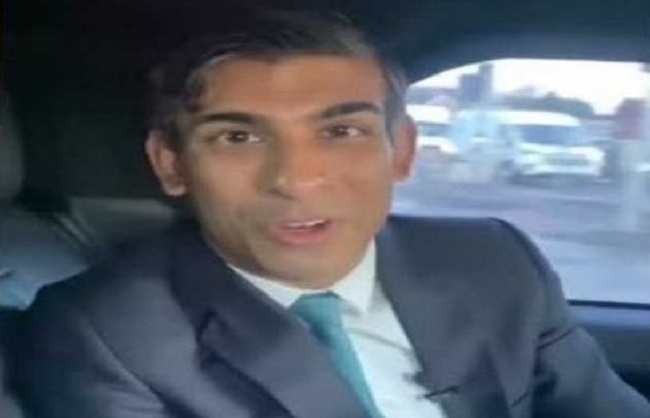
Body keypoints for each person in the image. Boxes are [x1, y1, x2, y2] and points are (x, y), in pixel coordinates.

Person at [17, 11, 649, 418]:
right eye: (238, 138)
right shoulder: (104, 333)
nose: (295, 179)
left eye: (342, 131)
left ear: (401, 152)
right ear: (172, 165)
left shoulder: (493, 260)